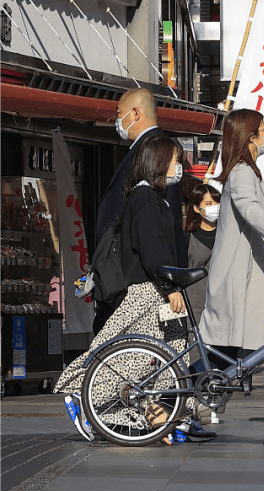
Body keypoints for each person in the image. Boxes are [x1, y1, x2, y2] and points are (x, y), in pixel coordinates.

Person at [55, 135, 214, 444]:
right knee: (142, 358)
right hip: (150, 292)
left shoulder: (151, 198)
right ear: (157, 164)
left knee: (170, 355)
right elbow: (154, 252)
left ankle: (172, 417)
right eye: (174, 161)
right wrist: (170, 288)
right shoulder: (147, 200)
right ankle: (85, 396)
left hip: (153, 289)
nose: (179, 167)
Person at [198, 110, 264, 447]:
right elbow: (251, 211)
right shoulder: (243, 172)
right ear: (249, 137)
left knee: (234, 351)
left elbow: (251, 221)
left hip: (249, 282)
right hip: (239, 283)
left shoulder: (248, 171)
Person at [93, 88, 186, 334]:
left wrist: (170, 282)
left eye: (119, 114)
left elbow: (160, 235)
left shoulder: (152, 149)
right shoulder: (146, 169)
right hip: (141, 279)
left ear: (135, 113)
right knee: (144, 350)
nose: (117, 121)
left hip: (139, 277)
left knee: (146, 348)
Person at [184, 183, 221, 321]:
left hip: (222, 302)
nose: (215, 207)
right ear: (196, 208)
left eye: (218, 202)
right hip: (194, 303)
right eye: (209, 203)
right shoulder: (187, 237)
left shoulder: (227, 235)